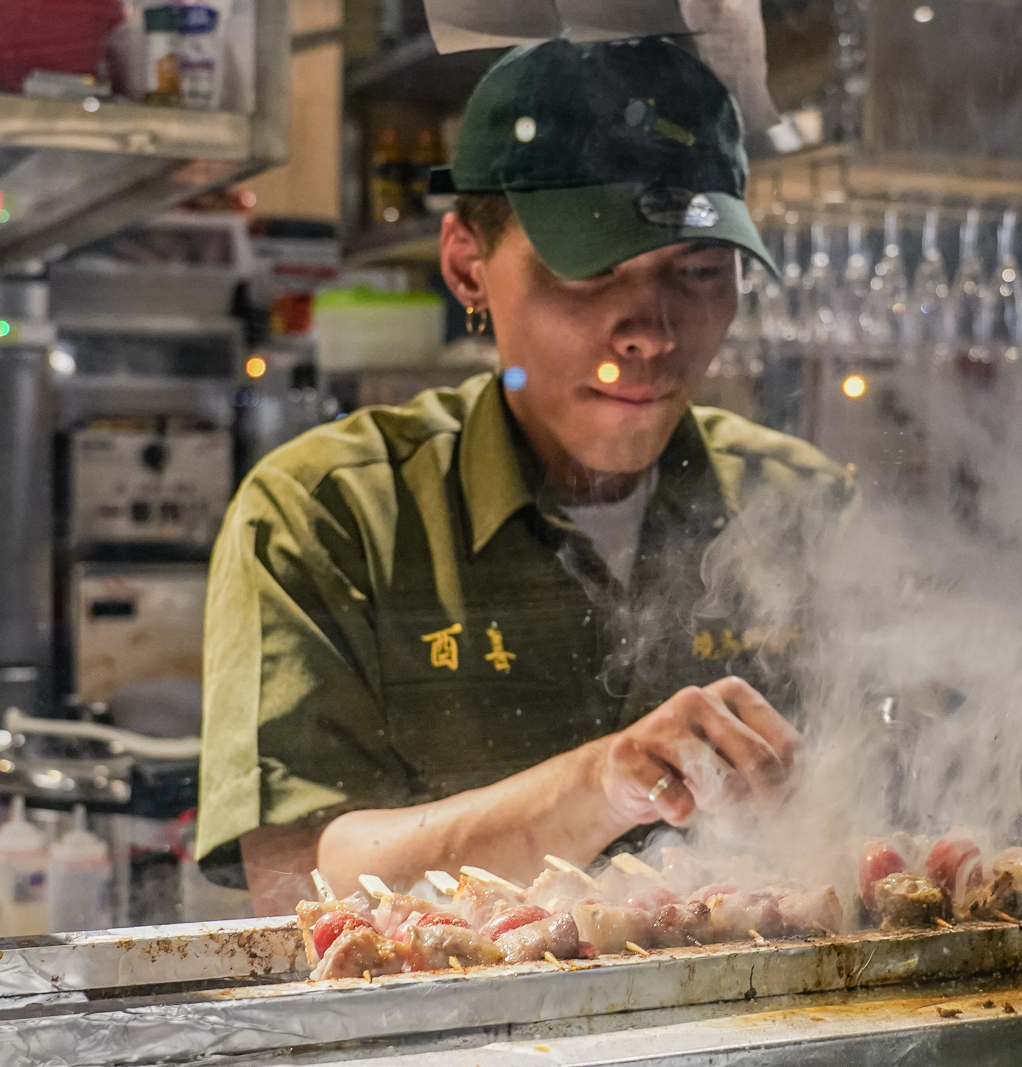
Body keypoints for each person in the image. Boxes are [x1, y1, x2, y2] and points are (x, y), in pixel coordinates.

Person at [196, 37, 852, 914]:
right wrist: (598, 785)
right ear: (468, 260)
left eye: (696, 272)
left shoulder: (804, 504)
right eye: (588, 272)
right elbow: (294, 882)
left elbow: (890, 789)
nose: (650, 333)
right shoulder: (326, 515)